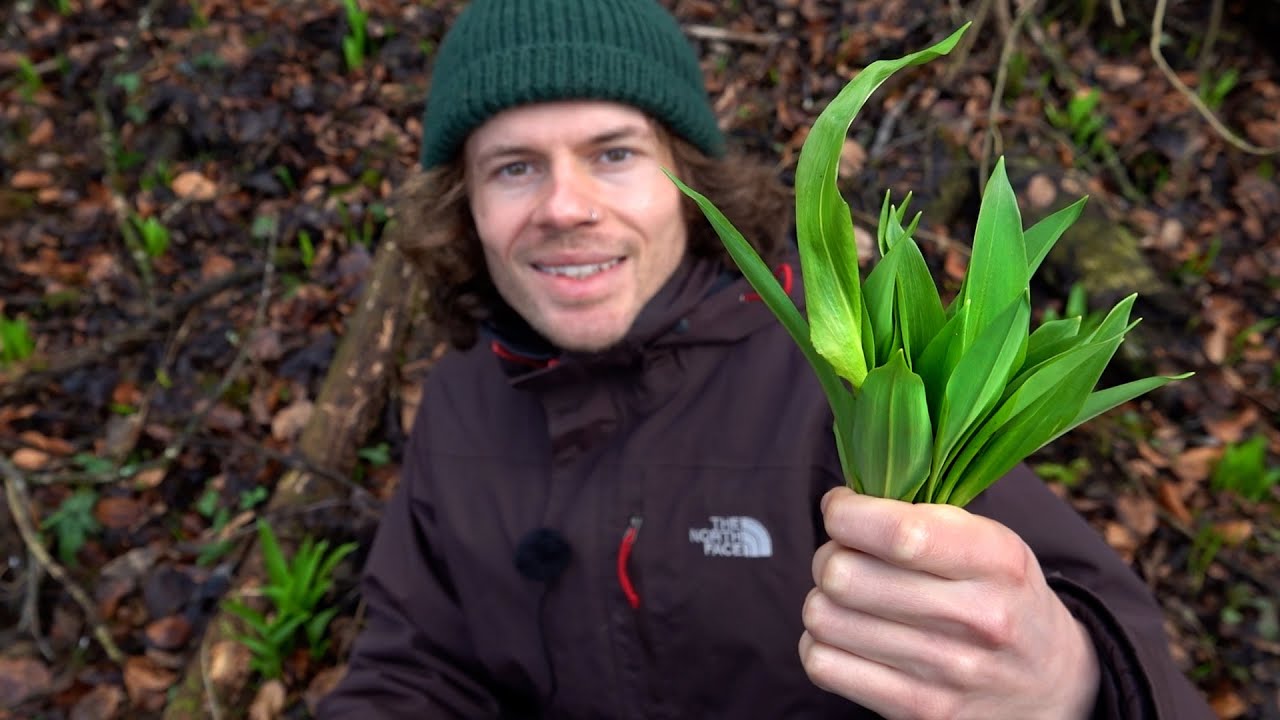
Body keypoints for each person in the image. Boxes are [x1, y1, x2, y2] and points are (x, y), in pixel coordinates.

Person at [319, 1, 1213, 717]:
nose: (564, 206)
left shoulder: (844, 380)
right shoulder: (461, 400)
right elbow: (421, 665)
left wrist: (1067, 687)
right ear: (463, 206)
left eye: (614, 154)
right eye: (513, 167)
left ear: (687, 181)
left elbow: (1080, 618)